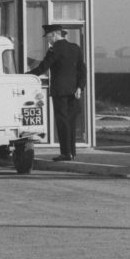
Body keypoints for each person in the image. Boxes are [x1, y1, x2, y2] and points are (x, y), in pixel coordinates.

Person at [28, 24, 86, 162]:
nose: (48, 40)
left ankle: (65, 153)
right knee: (71, 122)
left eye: (48, 36)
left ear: (54, 34)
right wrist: (80, 87)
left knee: (62, 122)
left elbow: (43, 67)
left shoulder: (55, 49)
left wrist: (25, 76)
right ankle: (71, 152)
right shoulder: (75, 48)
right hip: (74, 91)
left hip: (60, 91)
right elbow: (82, 70)